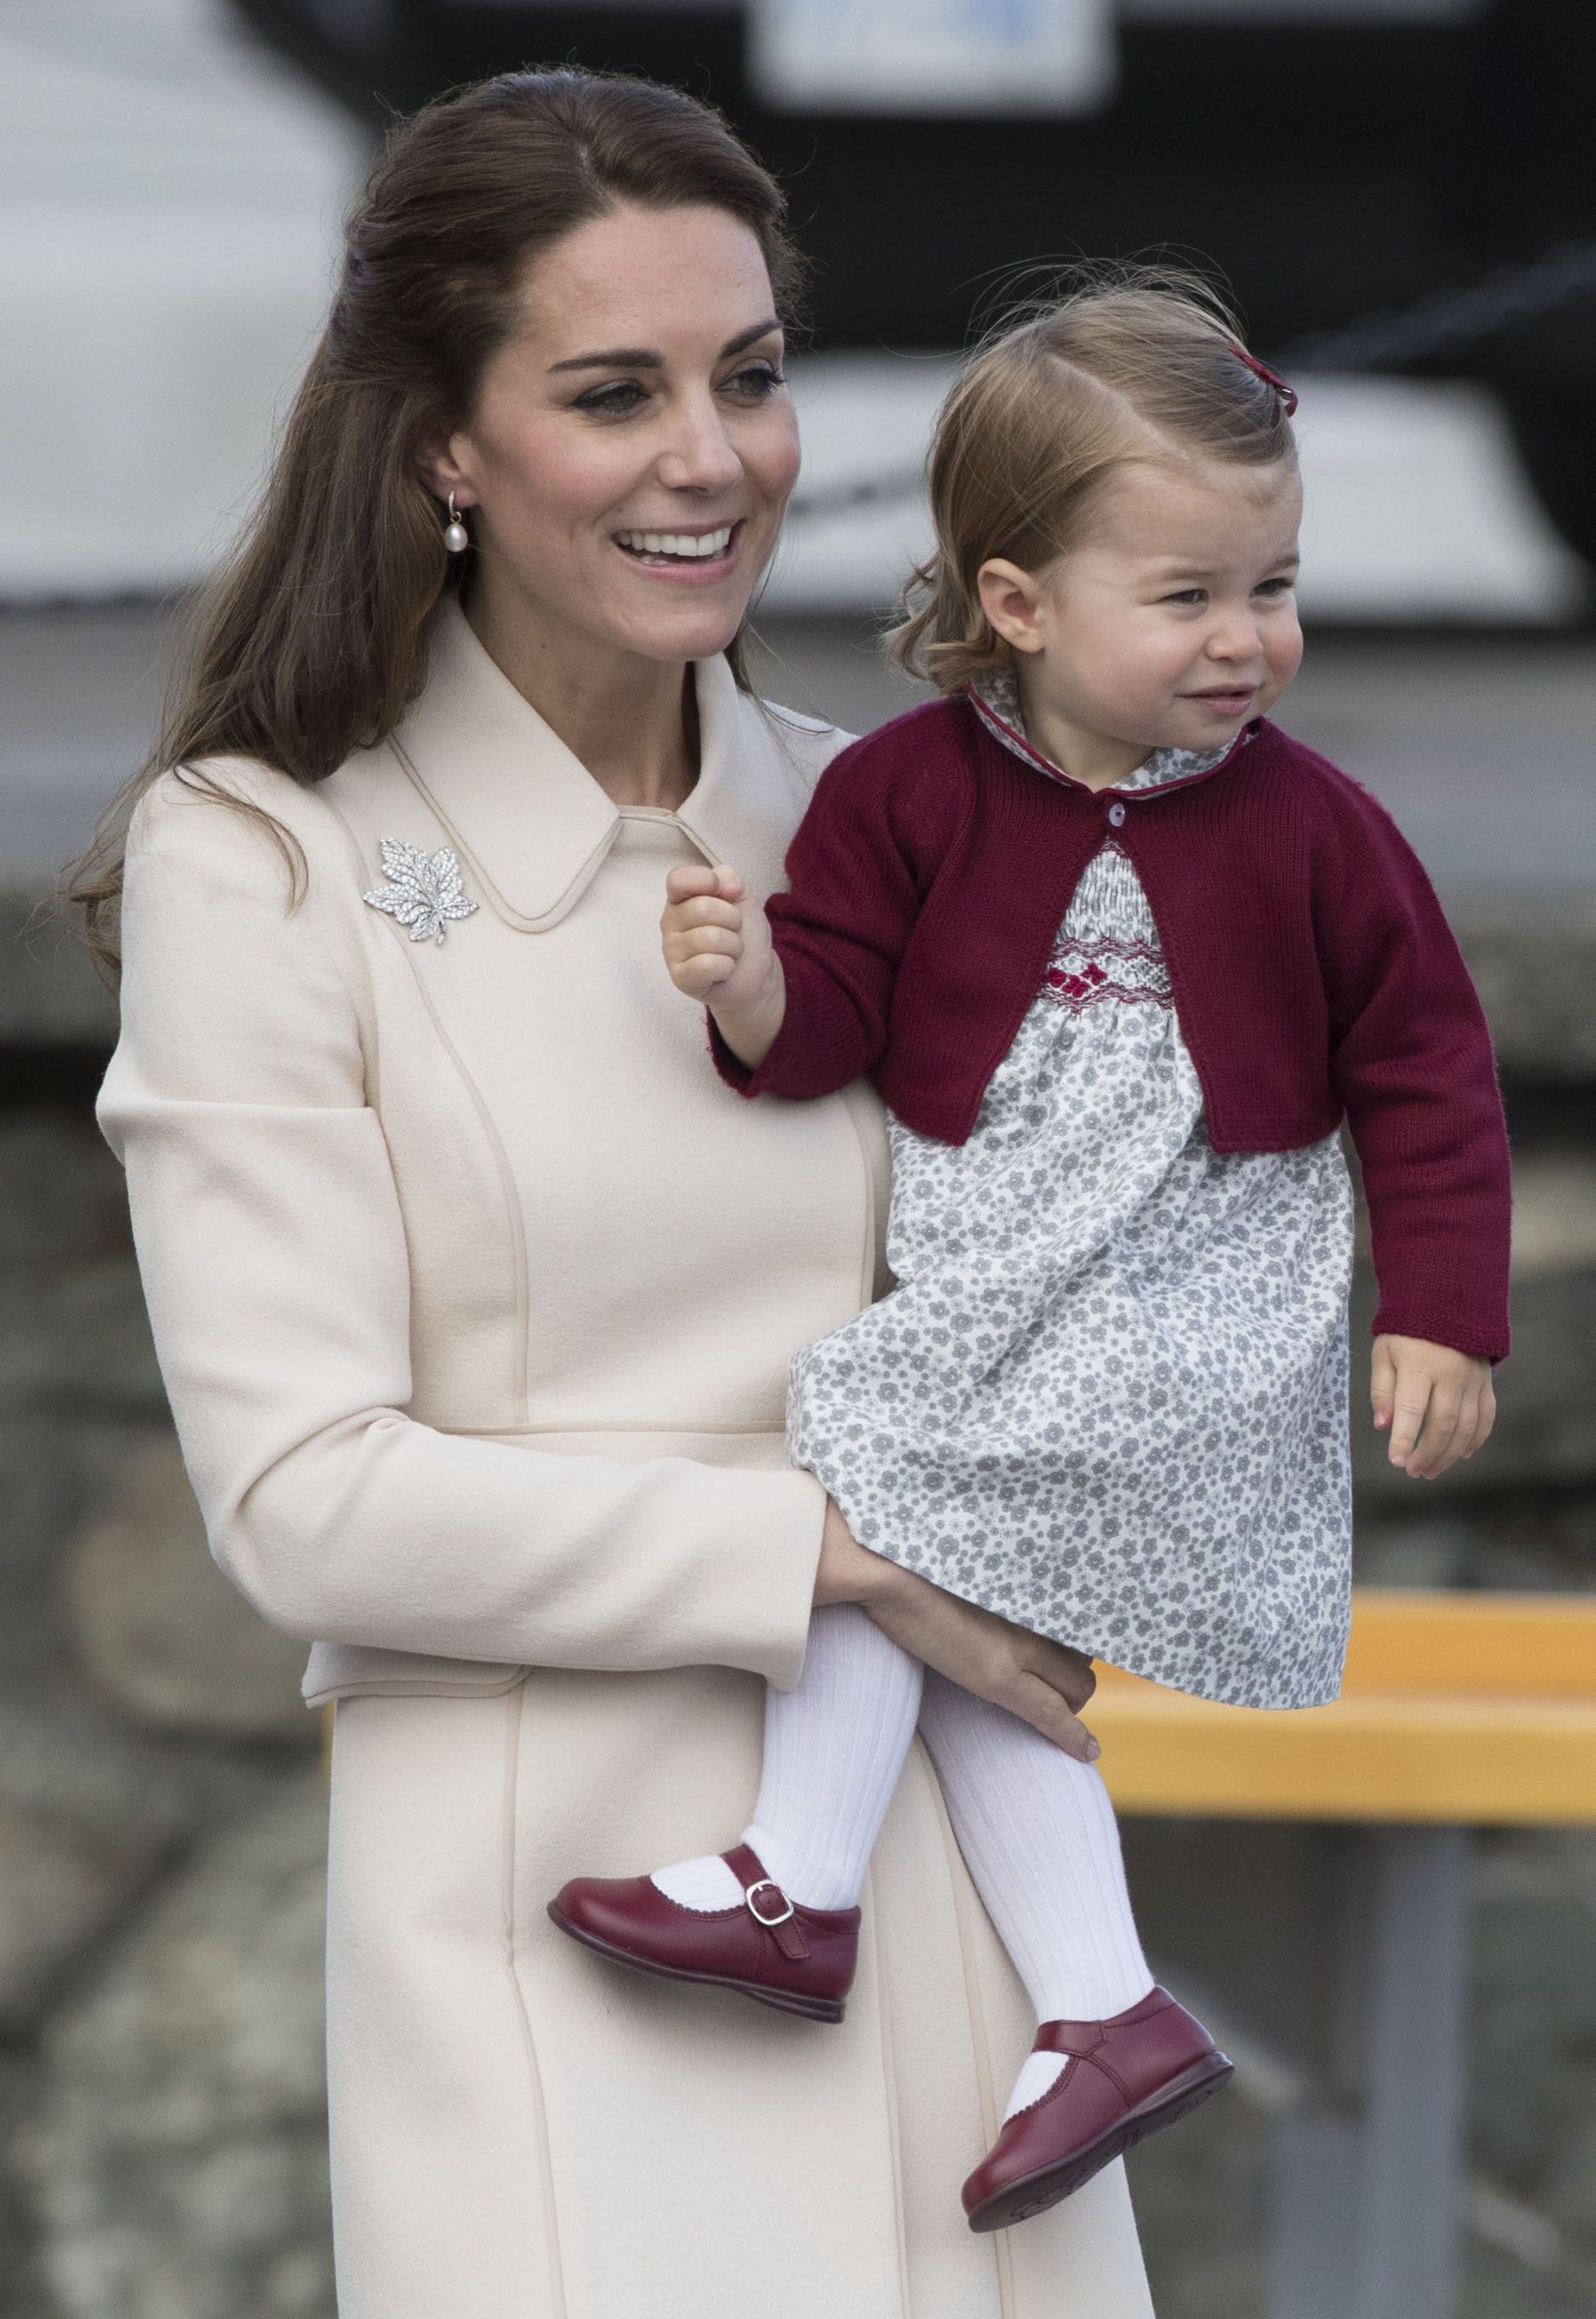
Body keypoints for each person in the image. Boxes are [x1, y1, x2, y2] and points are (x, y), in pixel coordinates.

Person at [74, 69, 1160, 2319]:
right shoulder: (262, 863)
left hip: (943, 1925)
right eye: (612, 390)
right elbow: (304, 1499)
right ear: (438, 443)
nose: (712, 456)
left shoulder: (904, 815)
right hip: (560, 1941)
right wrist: (847, 1556)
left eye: (746, 377)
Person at [548, 275, 1512, 2235]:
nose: (1251, 639)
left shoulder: (1317, 830)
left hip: (1186, 1300)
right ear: (1017, 602)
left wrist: (1443, 1312)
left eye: (1276, 583)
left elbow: (1428, 1066)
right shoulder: (907, 794)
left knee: (863, 1455)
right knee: (950, 1581)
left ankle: (799, 1884)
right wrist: (744, 994)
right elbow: (831, 1026)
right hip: (1006, 1289)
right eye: (1191, 595)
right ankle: (1101, 2001)